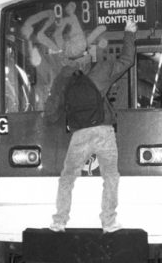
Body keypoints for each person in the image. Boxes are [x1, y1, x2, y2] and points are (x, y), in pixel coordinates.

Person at [45, 20, 137, 233]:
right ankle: (108, 221)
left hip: (79, 134)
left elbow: (51, 111)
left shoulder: (62, 78)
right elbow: (127, 60)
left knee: (67, 177)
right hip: (103, 131)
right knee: (110, 176)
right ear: (87, 51)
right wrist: (129, 33)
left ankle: (59, 221)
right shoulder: (101, 69)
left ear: (67, 56)